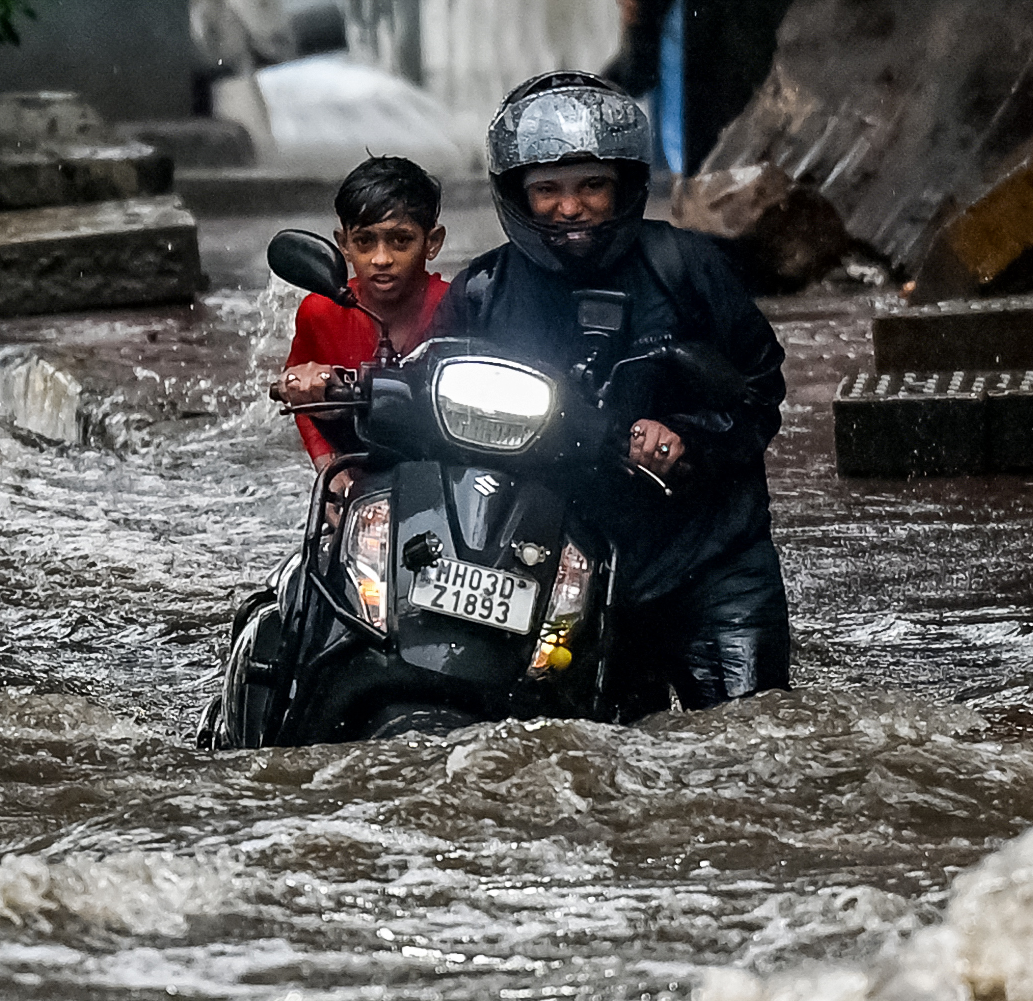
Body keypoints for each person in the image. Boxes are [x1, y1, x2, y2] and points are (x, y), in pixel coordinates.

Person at [427, 70, 788, 714]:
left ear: (624, 187)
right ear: (517, 195)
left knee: (751, 738)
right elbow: (441, 426)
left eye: (592, 185)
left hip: (712, 562)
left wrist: (690, 436)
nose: (571, 208)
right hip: (560, 575)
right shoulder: (480, 297)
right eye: (548, 191)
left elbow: (760, 387)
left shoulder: (687, 265)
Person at [279, 154, 448, 466]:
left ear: (432, 242)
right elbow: (301, 399)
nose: (381, 259)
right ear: (343, 245)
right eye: (364, 242)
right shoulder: (320, 312)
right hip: (357, 461)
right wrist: (329, 465)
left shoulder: (456, 307)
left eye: (401, 240)